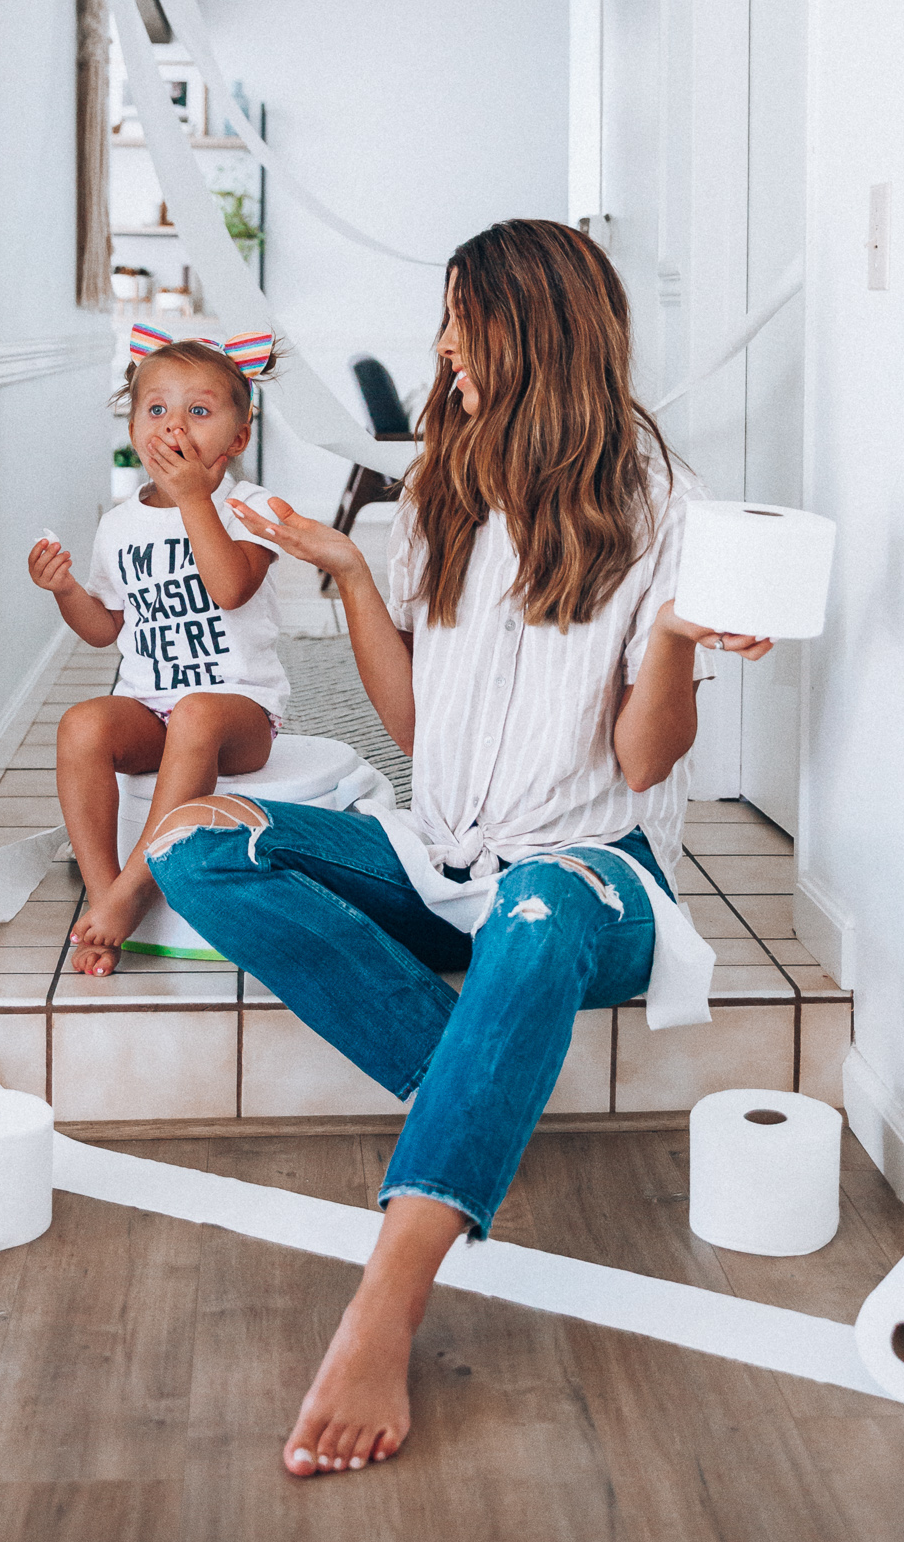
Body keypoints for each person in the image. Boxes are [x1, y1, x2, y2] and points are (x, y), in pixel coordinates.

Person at [143, 220, 773, 1476]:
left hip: (589, 875)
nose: (440, 346)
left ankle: (389, 1298)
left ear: (538, 328)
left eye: (460, 319)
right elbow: (418, 727)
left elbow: (644, 767)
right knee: (192, 844)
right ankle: (472, 1096)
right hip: (445, 850)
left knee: (536, 908)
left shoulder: (664, 504)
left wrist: (681, 641)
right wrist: (352, 579)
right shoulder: (446, 482)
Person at [27, 329, 286, 974]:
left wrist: (197, 498)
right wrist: (63, 590)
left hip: (239, 715)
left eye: (199, 412)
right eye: (157, 409)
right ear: (136, 425)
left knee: (197, 712)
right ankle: (102, 886)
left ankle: (136, 893)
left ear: (239, 438)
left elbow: (229, 589)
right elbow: (103, 628)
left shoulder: (254, 508)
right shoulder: (119, 524)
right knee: (81, 724)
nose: (175, 426)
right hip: (148, 709)